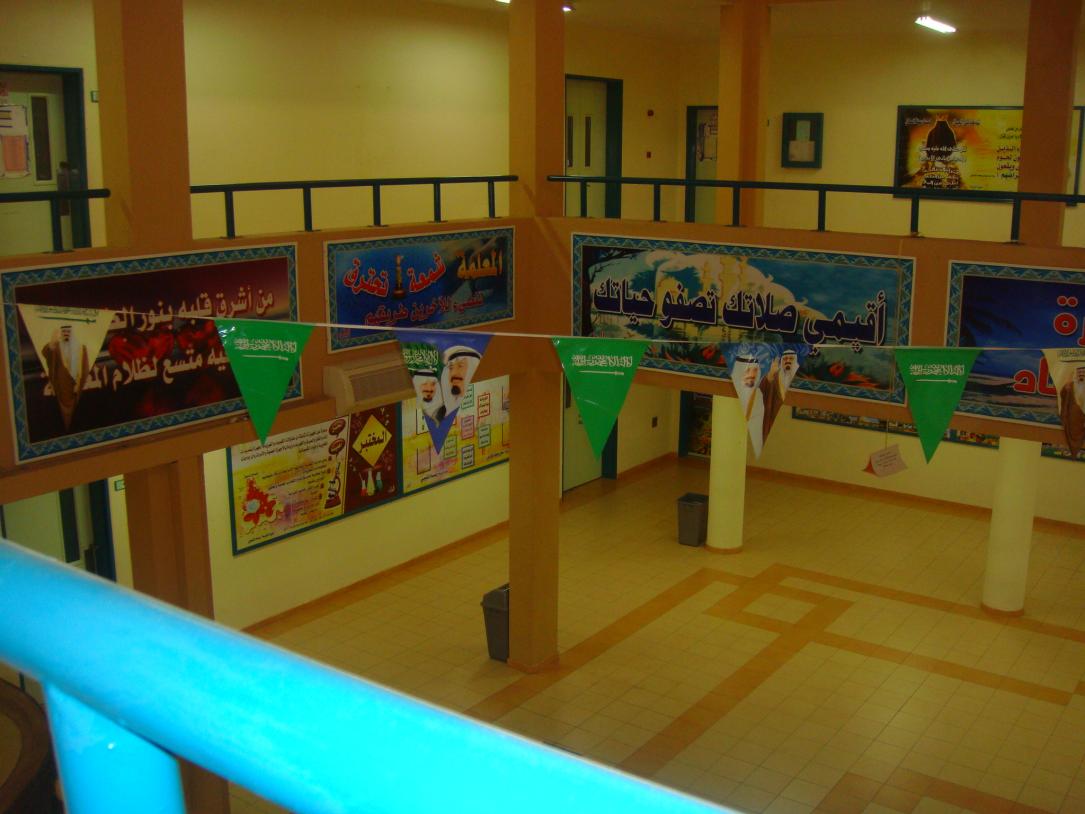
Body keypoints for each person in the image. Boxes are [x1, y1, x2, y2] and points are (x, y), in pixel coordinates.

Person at [41, 324, 89, 428]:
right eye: (64, 332)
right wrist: (51, 343)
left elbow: (85, 367)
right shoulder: (56, 347)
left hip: (76, 385)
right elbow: (45, 353)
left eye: (68, 331)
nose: (66, 334)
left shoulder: (81, 348)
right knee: (62, 413)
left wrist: (80, 382)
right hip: (61, 386)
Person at [760, 349, 799, 441]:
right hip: (773, 416)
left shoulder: (799, 378)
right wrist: (770, 375)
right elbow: (762, 391)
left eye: (791, 358)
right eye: (785, 359)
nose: (788, 361)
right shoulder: (775, 377)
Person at [731, 355, 765, 457]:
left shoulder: (760, 396)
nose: (752, 374)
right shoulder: (731, 393)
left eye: (755, 370)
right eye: (748, 370)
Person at [440, 345, 482, 418]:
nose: (453, 373)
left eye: (460, 366)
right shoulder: (440, 413)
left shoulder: (481, 405)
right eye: (451, 368)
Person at [1058, 365, 1085, 457]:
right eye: (1079, 372)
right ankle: (1071, 451)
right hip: (1073, 414)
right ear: (1076, 374)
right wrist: (1065, 390)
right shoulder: (1070, 385)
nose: (1081, 374)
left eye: (1083, 372)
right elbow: (1062, 394)